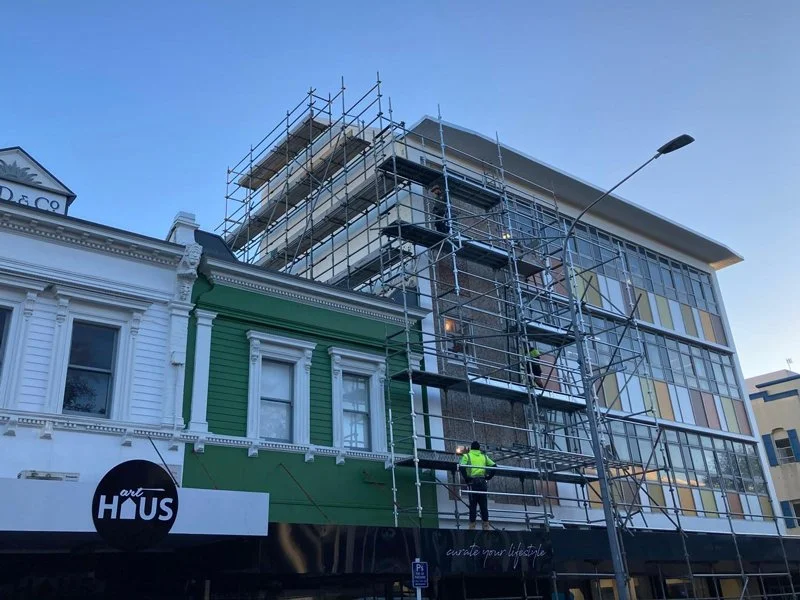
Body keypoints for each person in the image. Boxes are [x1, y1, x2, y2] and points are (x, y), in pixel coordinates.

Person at [459, 441, 496, 530]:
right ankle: (486, 527)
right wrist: (488, 477)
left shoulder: (467, 456)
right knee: (483, 505)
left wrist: (466, 478)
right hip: (483, 482)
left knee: (473, 505)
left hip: (473, 482)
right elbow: (494, 466)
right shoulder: (484, 456)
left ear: (471, 448)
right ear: (479, 448)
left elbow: (461, 467)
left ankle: (472, 527)